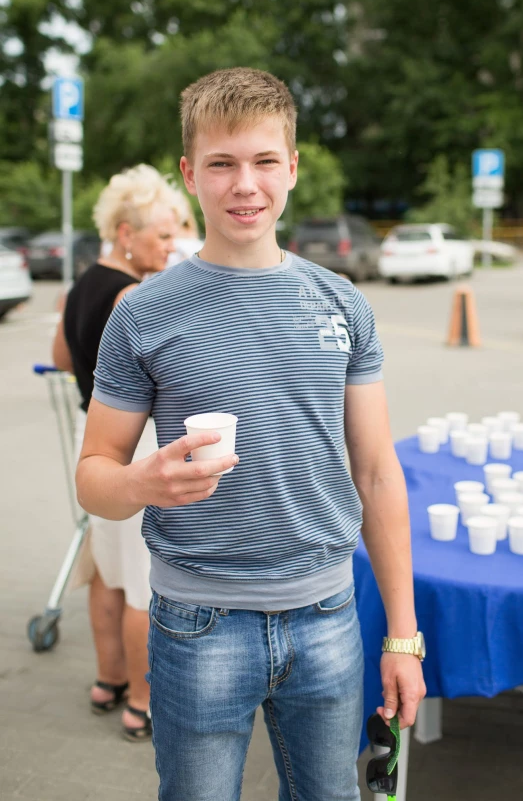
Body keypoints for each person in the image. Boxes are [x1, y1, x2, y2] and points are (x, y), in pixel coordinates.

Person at [76, 67, 426, 800]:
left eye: (265, 161)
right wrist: (143, 482)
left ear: (292, 168)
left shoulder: (342, 304)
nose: (246, 184)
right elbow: (94, 475)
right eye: (222, 163)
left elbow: (377, 475)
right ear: (190, 173)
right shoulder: (142, 314)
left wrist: (402, 635)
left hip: (330, 617)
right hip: (197, 624)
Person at [52, 164, 179, 741]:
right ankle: (141, 702)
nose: (171, 245)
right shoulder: (133, 294)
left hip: (93, 443)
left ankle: (107, 680)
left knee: (106, 574)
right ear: (126, 233)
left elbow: (60, 356)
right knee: (141, 582)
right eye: (163, 235)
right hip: (132, 448)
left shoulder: (83, 284)